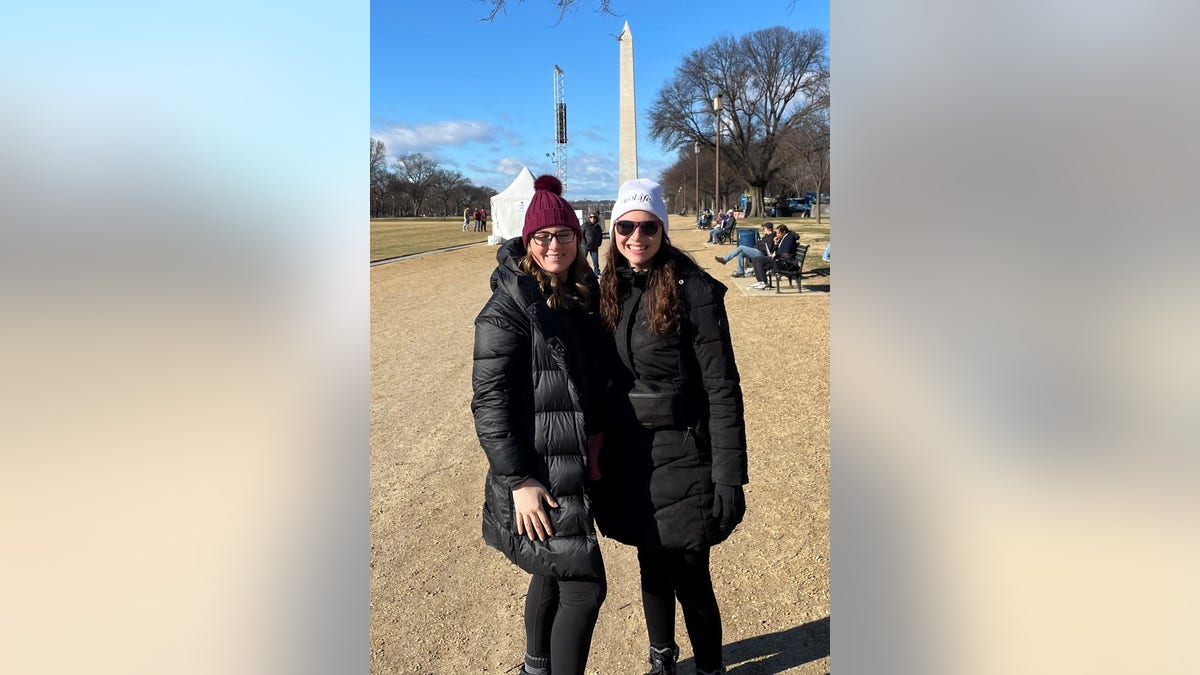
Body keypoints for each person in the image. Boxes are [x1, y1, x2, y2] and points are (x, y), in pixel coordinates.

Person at [595, 178, 748, 675]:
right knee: (649, 565)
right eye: (626, 226)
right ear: (613, 228)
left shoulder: (695, 291)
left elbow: (723, 388)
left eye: (647, 226)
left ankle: (709, 668)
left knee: (689, 573)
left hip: (685, 452)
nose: (635, 237)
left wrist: (729, 475)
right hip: (631, 456)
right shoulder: (610, 286)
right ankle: (661, 657)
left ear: (661, 228)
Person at [472, 175, 608, 675]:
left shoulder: (582, 293)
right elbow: (489, 404)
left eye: (564, 234)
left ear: (579, 237)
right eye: (542, 237)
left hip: (579, 460)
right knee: (585, 584)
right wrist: (518, 481)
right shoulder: (506, 307)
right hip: (541, 472)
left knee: (553, 573)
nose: (554, 245)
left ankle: (535, 666)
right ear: (527, 243)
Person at [713, 221, 777, 278]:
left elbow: (769, 248)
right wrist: (757, 246)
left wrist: (758, 246)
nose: (763, 229)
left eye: (764, 228)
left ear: (769, 228)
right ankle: (740, 272)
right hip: (758, 251)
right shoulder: (766, 236)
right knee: (741, 253)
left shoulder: (772, 237)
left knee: (741, 247)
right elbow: (760, 244)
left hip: (763, 254)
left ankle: (725, 259)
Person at [748, 223, 798, 290]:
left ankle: (764, 282)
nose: (777, 235)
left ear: (784, 232)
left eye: (778, 233)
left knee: (759, 260)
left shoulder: (789, 238)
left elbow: (785, 251)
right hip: (780, 260)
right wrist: (776, 243)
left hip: (786, 263)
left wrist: (776, 253)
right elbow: (779, 249)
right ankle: (760, 281)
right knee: (756, 259)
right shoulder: (784, 237)